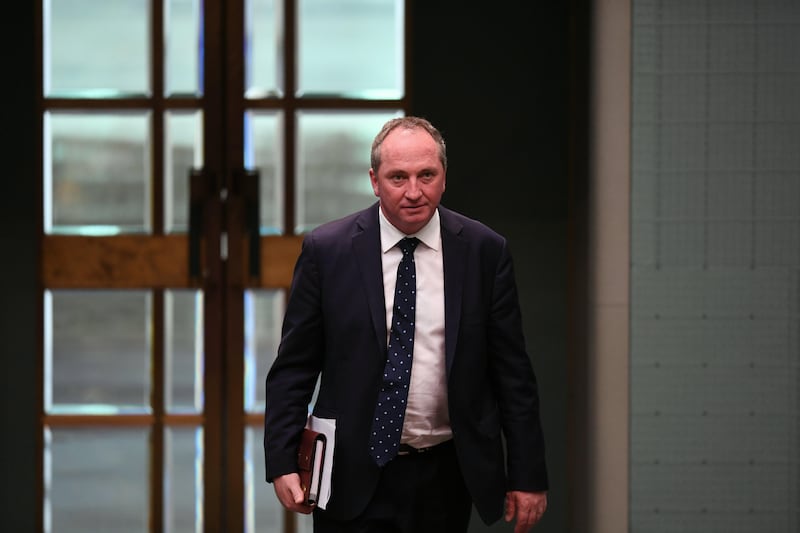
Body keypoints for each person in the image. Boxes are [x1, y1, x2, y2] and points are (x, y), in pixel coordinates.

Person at [264, 116, 548, 533]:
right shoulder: (328, 251)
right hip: (348, 473)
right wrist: (283, 460)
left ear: (444, 178)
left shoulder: (484, 252)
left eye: (426, 175)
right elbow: (294, 367)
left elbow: (513, 375)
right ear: (375, 181)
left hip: (447, 474)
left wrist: (527, 476)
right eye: (398, 177)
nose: (414, 192)